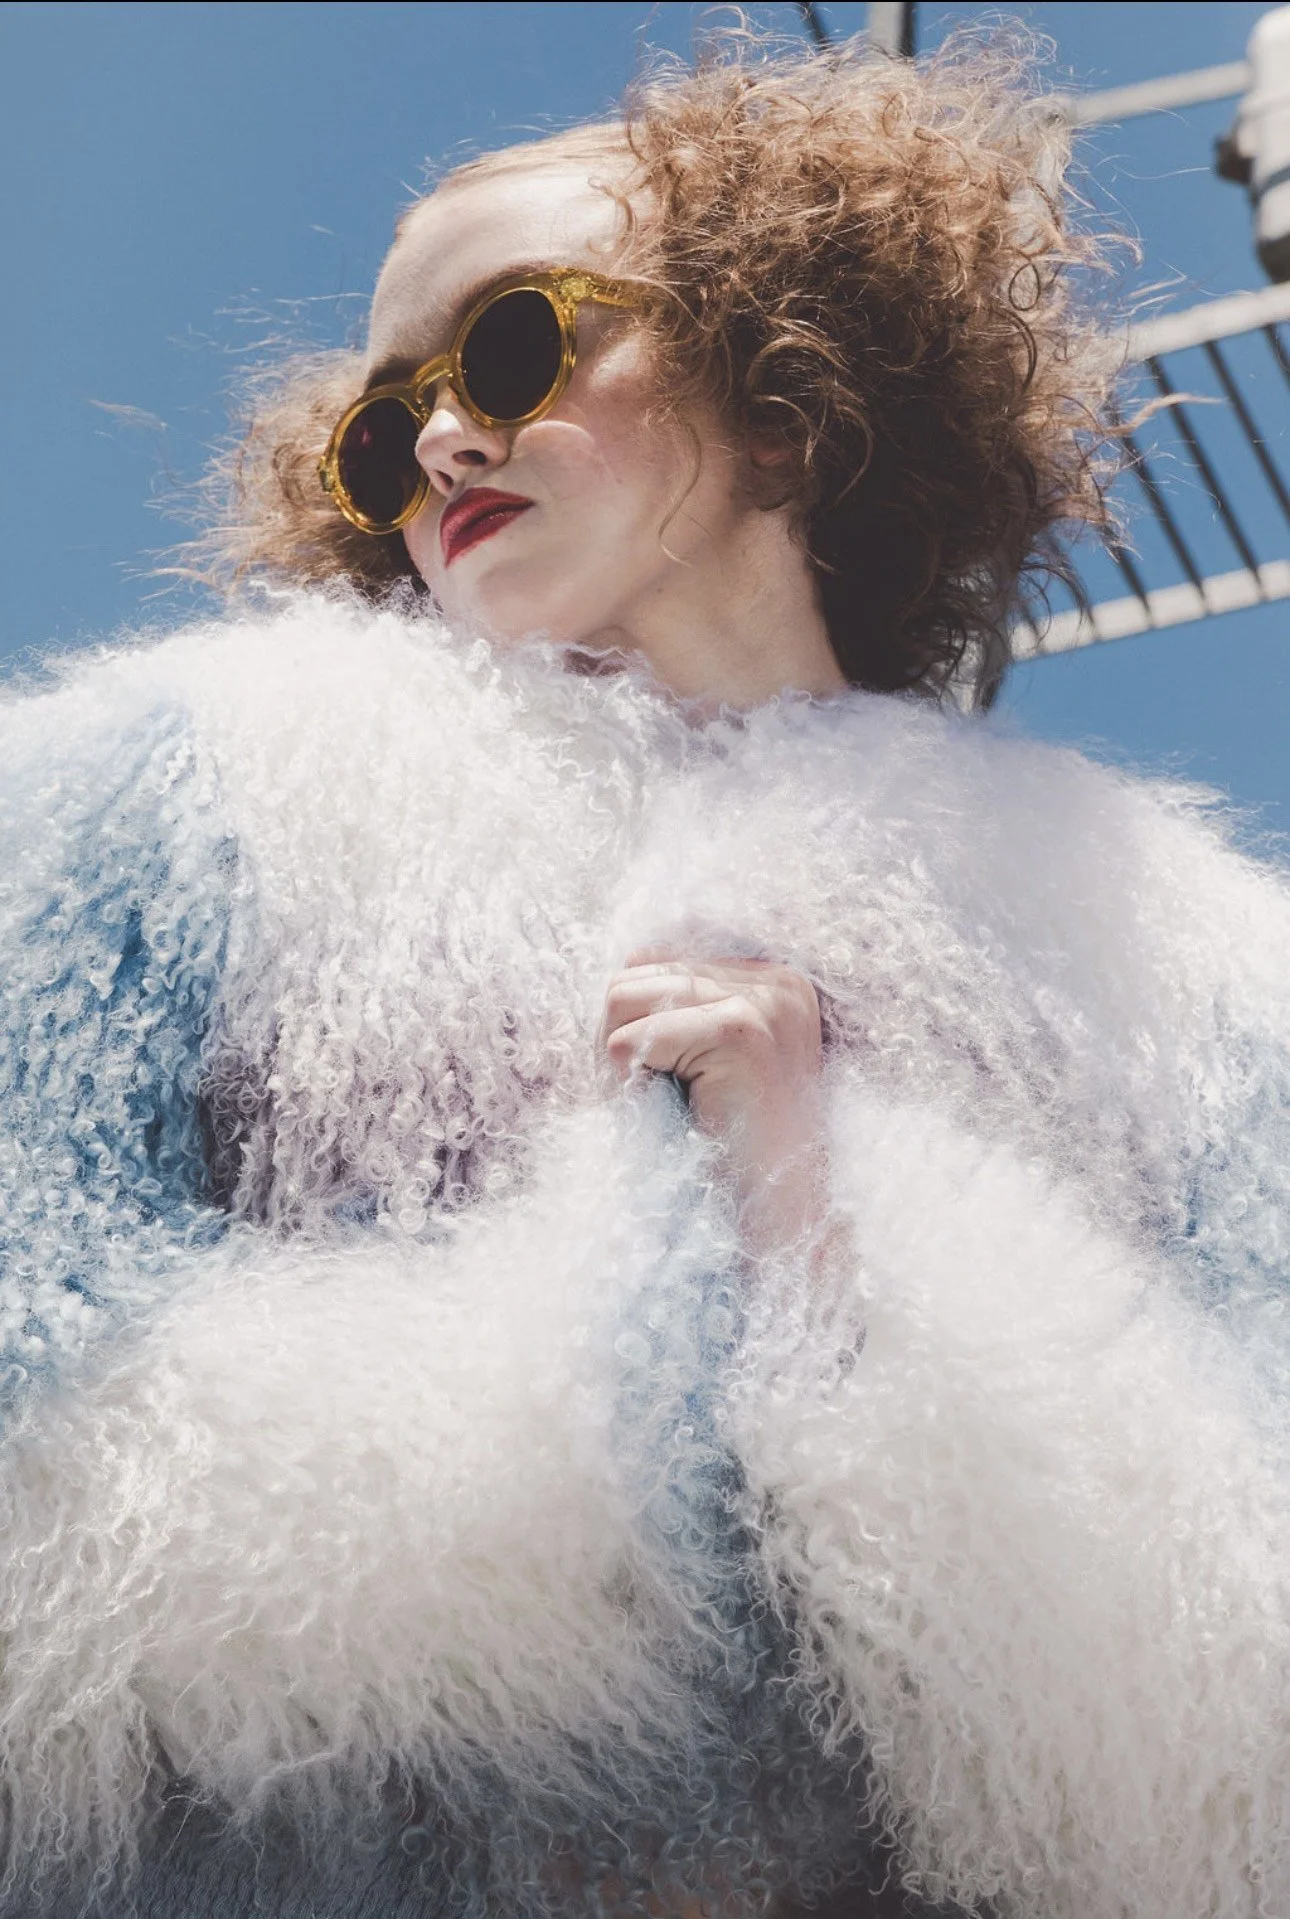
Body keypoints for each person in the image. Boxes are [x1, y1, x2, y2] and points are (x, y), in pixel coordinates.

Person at [2, 22, 1290, 1919]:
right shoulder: (191, 789)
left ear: (784, 392)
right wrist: (630, 1453)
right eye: (385, 425)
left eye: (515, 345)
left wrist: (823, 1247)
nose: (440, 435)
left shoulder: (1186, 956)